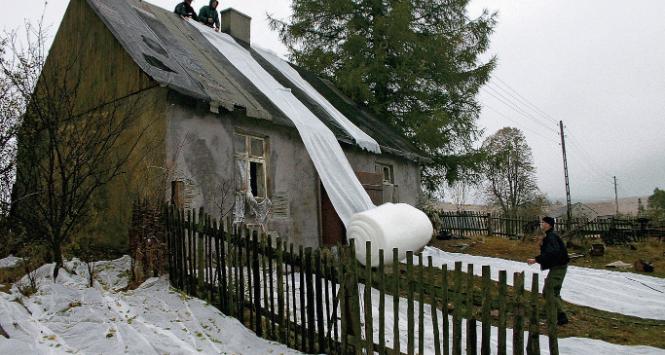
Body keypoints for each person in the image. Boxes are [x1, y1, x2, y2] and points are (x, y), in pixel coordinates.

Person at [527, 216, 570, 325]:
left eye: (544, 223)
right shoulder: (550, 236)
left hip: (559, 267)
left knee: (550, 291)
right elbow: (551, 251)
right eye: (542, 222)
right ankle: (556, 315)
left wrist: (536, 259)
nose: (542, 225)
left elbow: (552, 252)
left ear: (549, 224)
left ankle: (560, 316)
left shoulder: (551, 237)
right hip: (558, 266)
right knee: (551, 291)